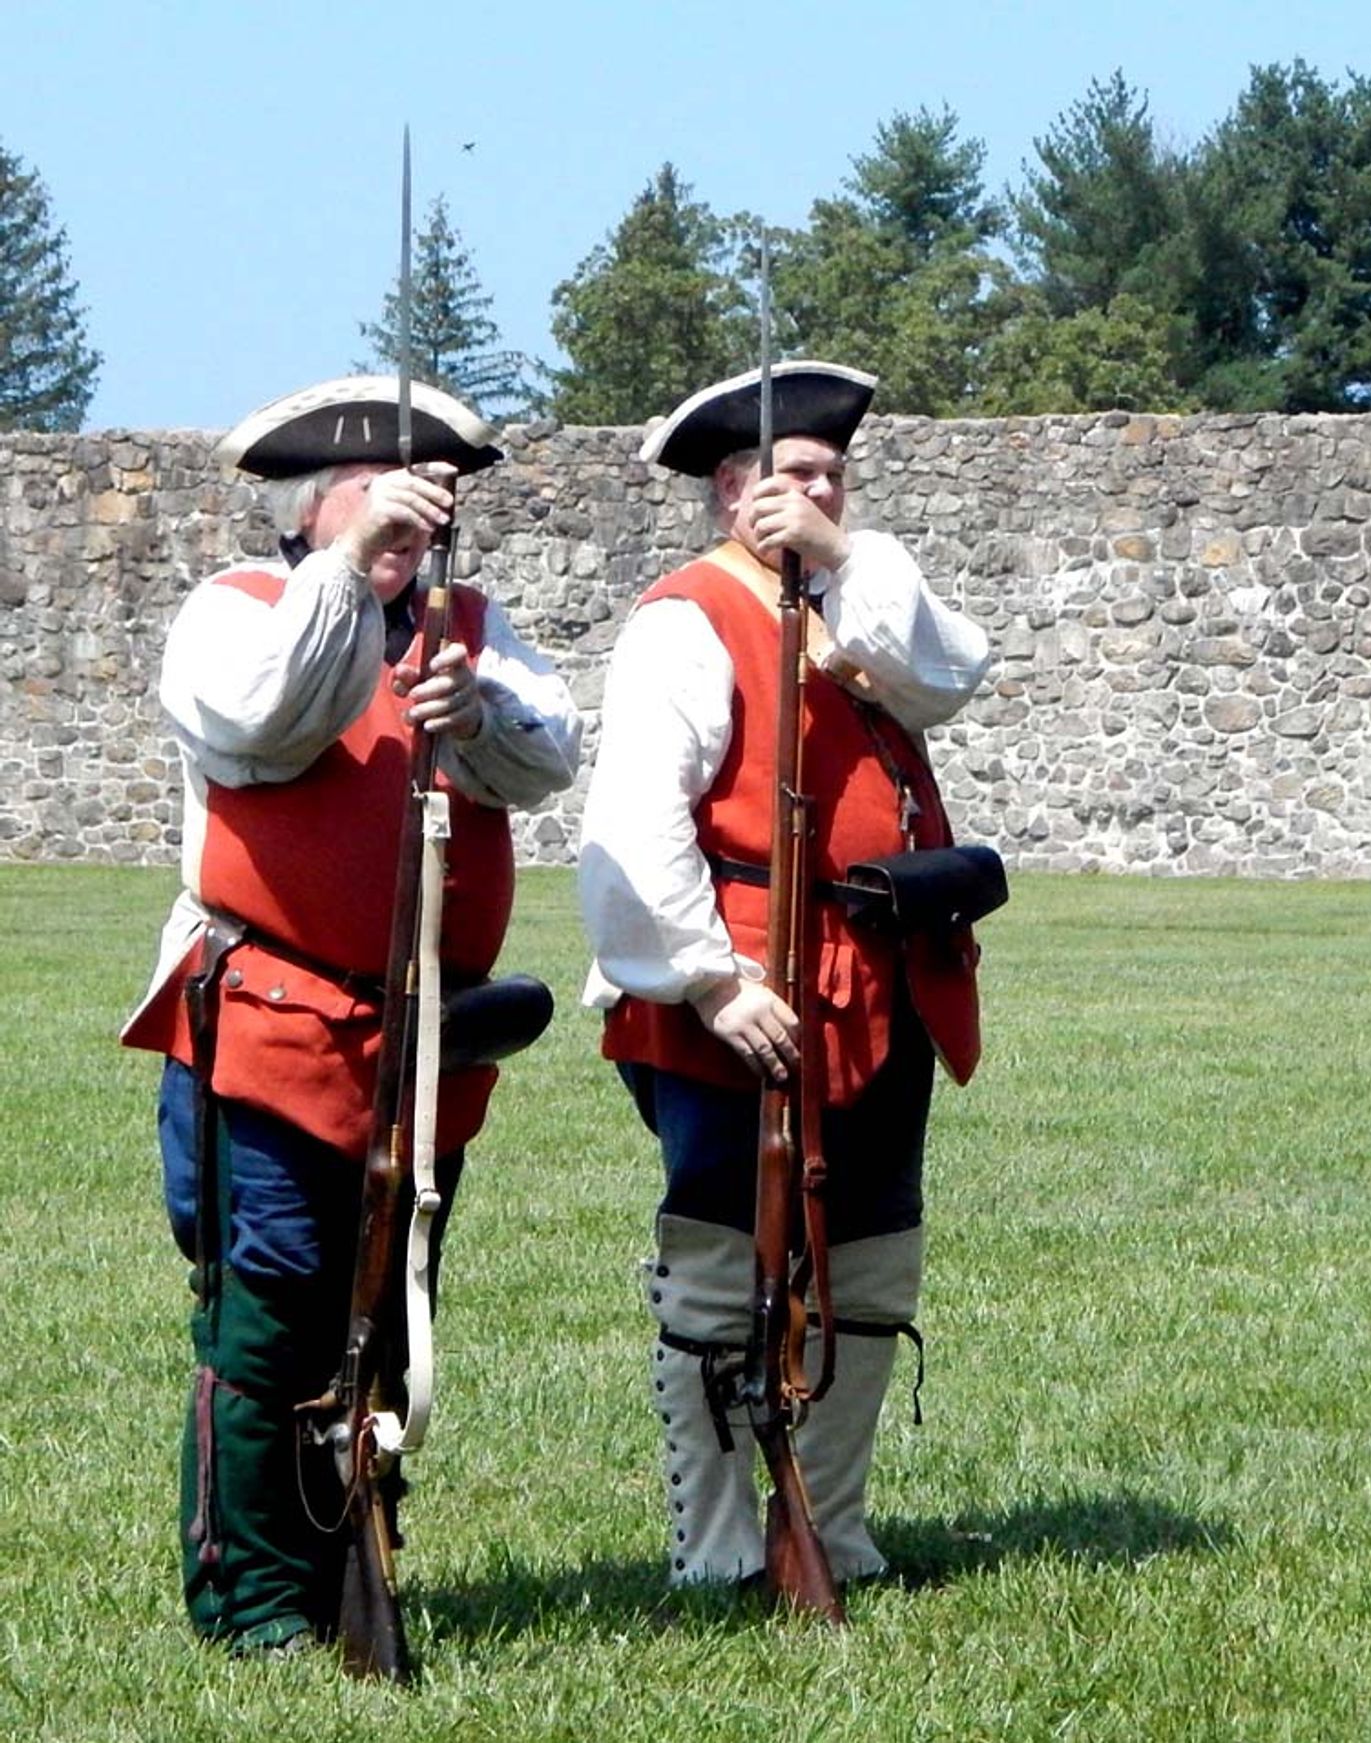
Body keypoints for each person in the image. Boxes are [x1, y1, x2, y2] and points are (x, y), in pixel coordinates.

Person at [122, 375, 583, 1652]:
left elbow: (549, 754)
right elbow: (267, 716)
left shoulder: (466, 628)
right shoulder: (241, 613)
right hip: (271, 1025)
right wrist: (350, 574)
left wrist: (471, 706)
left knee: (383, 1318)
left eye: (420, 515)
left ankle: (346, 1562)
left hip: (424, 1046)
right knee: (271, 1314)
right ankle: (254, 1602)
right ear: (319, 507)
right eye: (385, 507)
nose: (413, 535)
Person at [578, 360, 994, 1590]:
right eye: (789, 475)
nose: (817, 492)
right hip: (743, 993)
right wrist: (708, 980)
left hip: (884, 985)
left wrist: (839, 557)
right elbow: (637, 818)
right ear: (730, 496)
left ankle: (829, 1526)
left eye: (831, 475)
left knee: (867, 1261)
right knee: (718, 1261)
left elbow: (949, 668)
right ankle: (713, 1548)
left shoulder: (858, 609)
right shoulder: (685, 618)